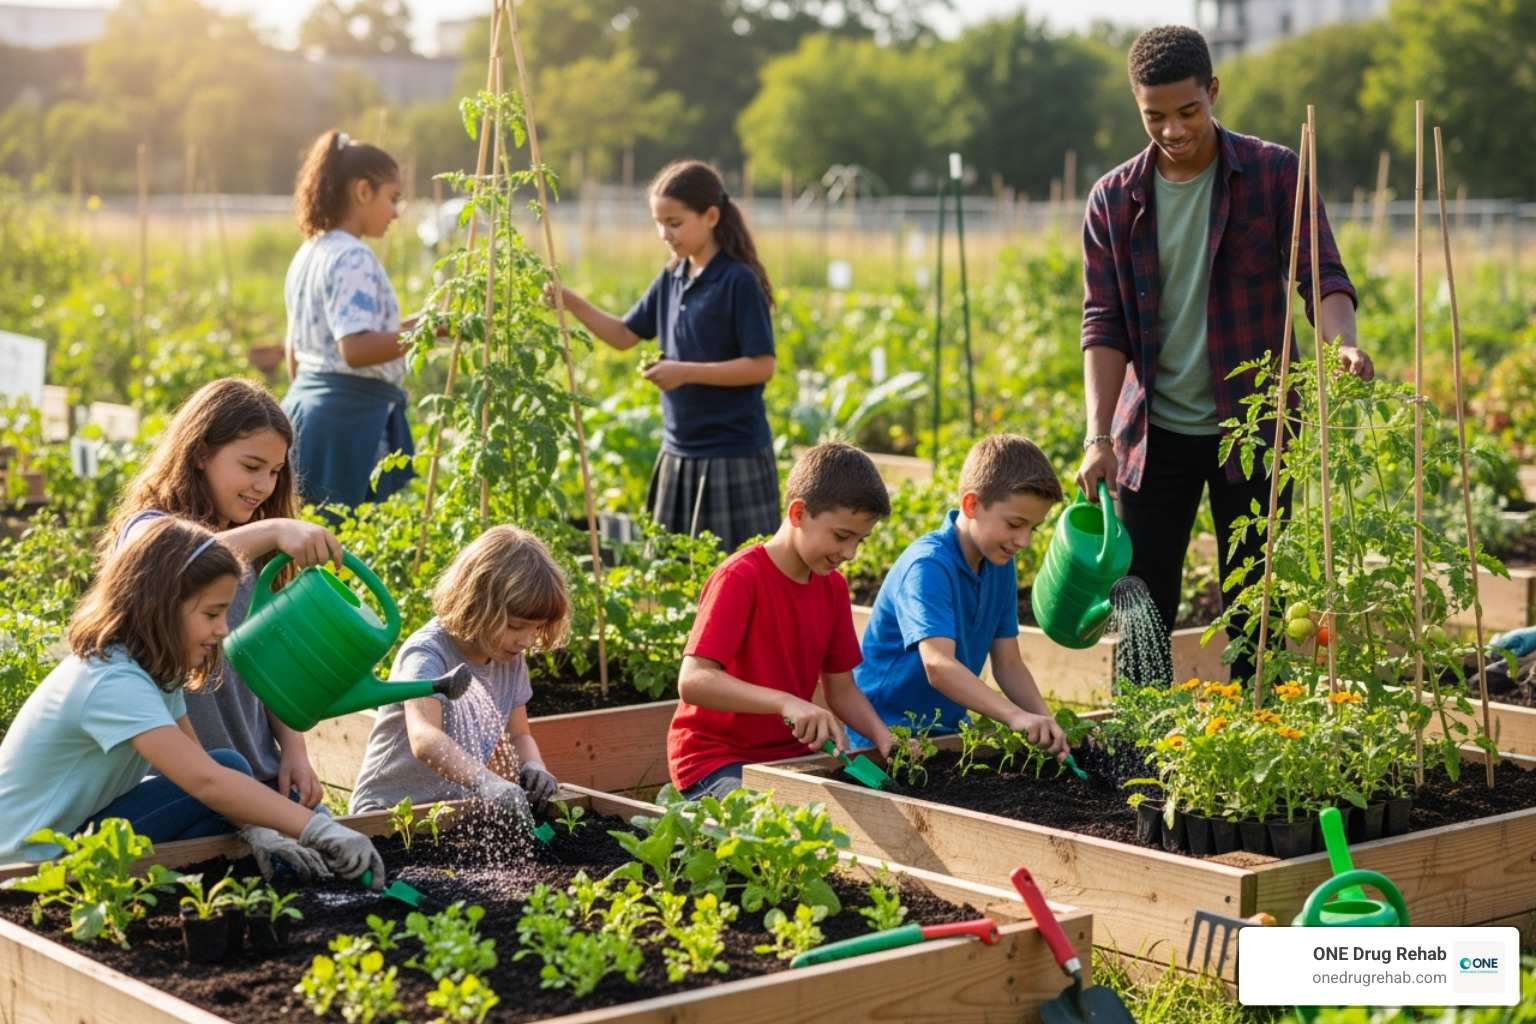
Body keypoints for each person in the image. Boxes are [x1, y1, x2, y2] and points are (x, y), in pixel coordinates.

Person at [1074, 26, 1375, 681]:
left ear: (1213, 91)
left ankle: (1258, 735)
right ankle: (1142, 752)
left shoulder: (1272, 174)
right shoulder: (1114, 200)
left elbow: (1321, 276)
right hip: (1151, 435)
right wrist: (1097, 435)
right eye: (1155, 116)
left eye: (1188, 112)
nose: (1174, 130)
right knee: (1143, 607)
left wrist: (1343, 344)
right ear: (1137, 106)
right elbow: (1104, 325)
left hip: (1257, 430)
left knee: (1256, 604)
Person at [0, 517, 384, 887]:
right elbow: (205, 782)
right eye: (212, 613)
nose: (223, 628)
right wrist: (318, 829)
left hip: (73, 834)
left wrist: (260, 830)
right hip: (27, 861)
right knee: (224, 787)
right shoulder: (111, 680)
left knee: (229, 784)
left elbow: (203, 764)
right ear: (163, 606)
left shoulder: (154, 670)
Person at [104, 378, 341, 809]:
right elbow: (175, 560)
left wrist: (295, 750)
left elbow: (272, 666)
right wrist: (273, 529)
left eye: (274, 472)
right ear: (200, 453)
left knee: (326, 847)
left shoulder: (253, 553)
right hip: (179, 789)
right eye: (251, 467)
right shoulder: (147, 528)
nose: (264, 486)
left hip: (260, 775)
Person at [551, 160, 778, 552]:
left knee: (735, 576)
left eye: (674, 223)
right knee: (674, 573)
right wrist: (571, 302)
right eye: (659, 223)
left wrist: (685, 372)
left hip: (730, 452)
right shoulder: (673, 275)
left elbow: (762, 365)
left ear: (710, 216)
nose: (664, 234)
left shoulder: (736, 280)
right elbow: (624, 335)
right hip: (679, 450)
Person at [668, 442, 897, 800]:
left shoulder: (833, 587)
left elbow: (841, 689)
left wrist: (883, 737)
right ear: (798, 513)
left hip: (789, 757)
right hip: (716, 759)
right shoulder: (740, 578)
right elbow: (694, 680)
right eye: (841, 536)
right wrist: (785, 702)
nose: (850, 553)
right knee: (772, 826)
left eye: (860, 541)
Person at [849, 435, 1070, 759]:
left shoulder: (1000, 564)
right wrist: (1013, 716)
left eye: (1033, 529)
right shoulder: (929, 566)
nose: (1023, 540)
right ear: (971, 504)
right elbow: (938, 666)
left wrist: (1046, 722)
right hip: (881, 738)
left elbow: (1008, 663)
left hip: (947, 736)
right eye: (1015, 524)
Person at [349, 526, 568, 821]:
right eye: (516, 626)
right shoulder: (428, 654)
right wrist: (487, 782)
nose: (527, 641)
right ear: (479, 605)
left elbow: (518, 734)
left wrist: (534, 766)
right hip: (390, 817)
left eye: (537, 627)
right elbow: (425, 738)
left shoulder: (509, 658)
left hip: (452, 815)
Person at [280, 129, 417, 509]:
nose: (396, 212)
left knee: (305, 546)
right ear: (362, 192)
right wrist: (427, 333)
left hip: (304, 412)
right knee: (345, 550)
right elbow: (354, 349)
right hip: (349, 425)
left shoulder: (310, 251)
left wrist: (414, 326)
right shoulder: (352, 256)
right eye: (392, 198)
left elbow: (298, 352)